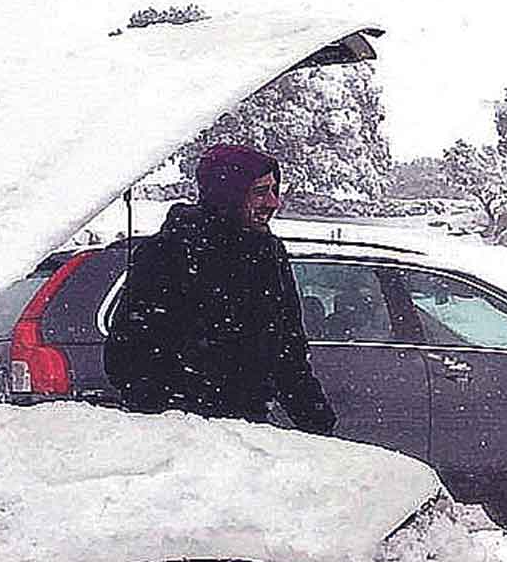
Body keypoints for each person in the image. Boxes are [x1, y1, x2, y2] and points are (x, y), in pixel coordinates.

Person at [105, 143, 335, 433]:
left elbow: (287, 352)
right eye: (261, 192)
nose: (274, 203)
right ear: (229, 194)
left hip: (249, 431)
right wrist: (173, 417)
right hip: (181, 435)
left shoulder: (268, 253)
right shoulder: (168, 253)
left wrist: (318, 424)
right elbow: (127, 355)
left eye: (275, 191)